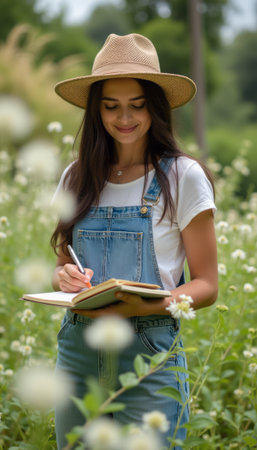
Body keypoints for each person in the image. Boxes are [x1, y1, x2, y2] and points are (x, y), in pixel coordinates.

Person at [51, 33, 218, 449]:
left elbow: (207, 284)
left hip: (150, 354)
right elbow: (61, 268)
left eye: (137, 106)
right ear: (96, 111)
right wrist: (65, 279)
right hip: (78, 353)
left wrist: (149, 304)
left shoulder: (182, 177)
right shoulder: (75, 178)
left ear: (155, 108)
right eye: (111, 106)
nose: (124, 117)